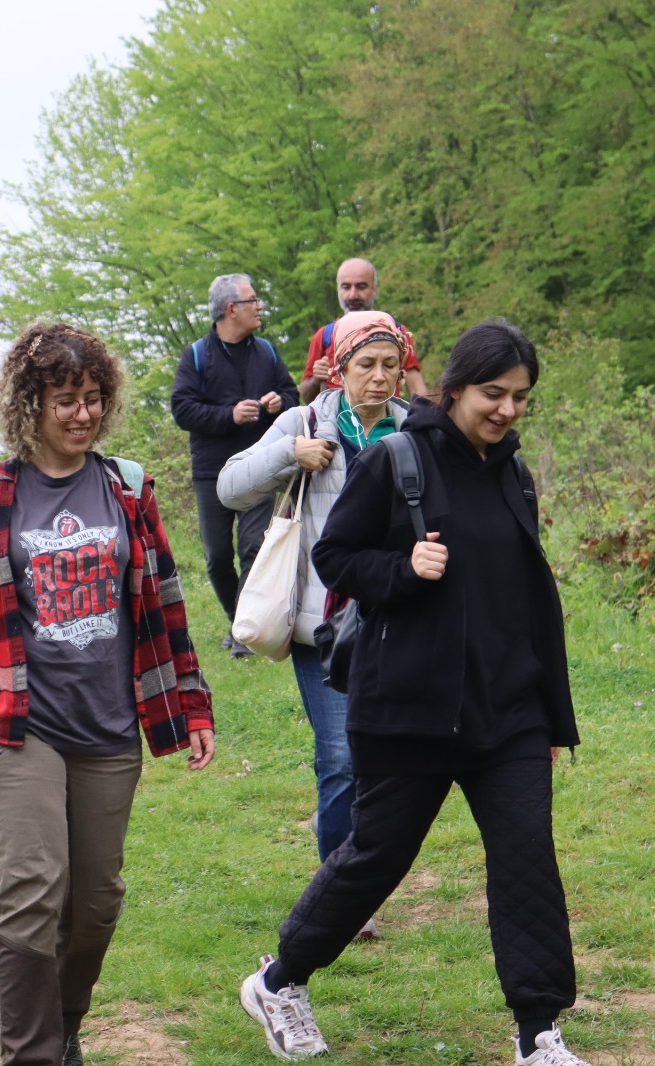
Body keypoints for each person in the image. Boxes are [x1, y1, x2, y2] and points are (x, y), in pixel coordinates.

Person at [238, 320, 589, 1065]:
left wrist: (552, 715)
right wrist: (404, 570)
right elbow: (335, 555)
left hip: (508, 711)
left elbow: (529, 597)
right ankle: (280, 980)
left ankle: (538, 1034)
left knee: (527, 859)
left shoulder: (513, 472)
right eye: (494, 394)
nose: (507, 410)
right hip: (409, 707)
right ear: (456, 387)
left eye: (521, 397)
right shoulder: (400, 458)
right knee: (378, 855)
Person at [0, 323, 216, 1066]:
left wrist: (190, 702)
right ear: (27, 404)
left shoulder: (128, 489)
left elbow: (164, 604)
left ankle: (63, 1029)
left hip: (106, 724)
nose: (83, 414)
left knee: (95, 903)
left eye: (94, 398)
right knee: (35, 886)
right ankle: (32, 1055)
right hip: (12, 721)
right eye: (65, 400)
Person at [218, 310, 410, 932]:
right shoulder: (302, 423)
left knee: (387, 760)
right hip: (321, 626)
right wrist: (287, 456)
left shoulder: (415, 431)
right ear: (341, 369)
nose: (379, 379)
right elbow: (229, 487)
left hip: (399, 620)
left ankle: (366, 870)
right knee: (340, 759)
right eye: (366, 366)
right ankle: (343, 896)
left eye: (390, 365)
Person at [171, 273, 299, 657]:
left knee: (253, 549)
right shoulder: (196, 355)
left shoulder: (267, 352)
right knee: (216, 558)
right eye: (252, 300)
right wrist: (229, 415)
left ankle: (243, 635)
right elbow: (182, 409)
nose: (259, 306)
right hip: (211, 471)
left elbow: (292, 394)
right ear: (231, 309)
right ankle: (239, 619)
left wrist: (282, 403)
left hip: (258, 467)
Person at [298, 259, 428, 404]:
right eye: (346, 287)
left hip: (387, 422)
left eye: (361, 287)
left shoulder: (397, 333)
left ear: (375, 289)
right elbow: (307, 398)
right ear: (338, 290)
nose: (353, 295)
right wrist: (316, 380)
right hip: (335, 424)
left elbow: (417, 388)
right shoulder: (325, 336)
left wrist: (428, 423)